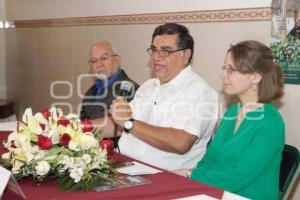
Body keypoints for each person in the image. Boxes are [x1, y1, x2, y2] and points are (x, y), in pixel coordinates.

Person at [174, 40, 285, 199]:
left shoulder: (271, 123)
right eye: (224, 68)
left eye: (231, 70)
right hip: (217, 193)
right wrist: (193, 178)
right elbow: (209, 160)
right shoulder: (233, 111)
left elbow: (239, 176)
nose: (223, 75)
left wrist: (190, 174)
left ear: (255, 77)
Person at [108, 23, 218, 171]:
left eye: (165, 51)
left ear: (185, 55)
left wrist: (129, 123)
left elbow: (180, 143)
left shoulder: (200, 92)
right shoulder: (149, 86)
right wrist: (77, 128)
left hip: (163, 177)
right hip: (124, 165)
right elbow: (119, 121)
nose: (156, 57)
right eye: (153, 50)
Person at [80, 41, 139, 120]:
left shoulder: (131, 92)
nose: (99, 65)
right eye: (94, 61)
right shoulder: (90, 92)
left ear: (118, 60)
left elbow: (125, 127)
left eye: (104, 58)